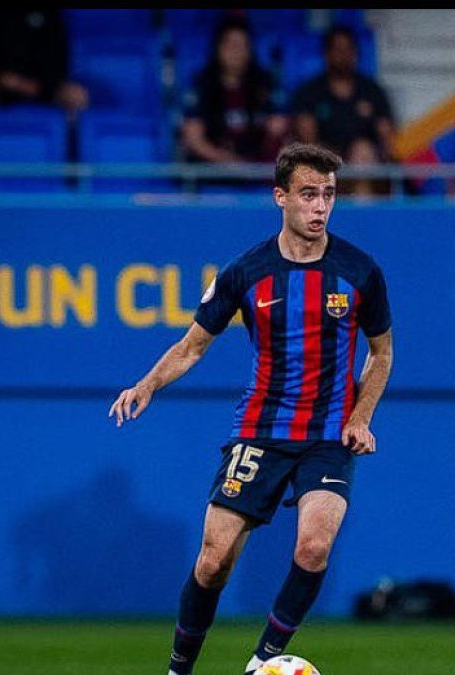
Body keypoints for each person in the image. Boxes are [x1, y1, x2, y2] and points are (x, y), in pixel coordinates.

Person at [108, 142, 394, 675]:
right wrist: (147, 384)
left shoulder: (360, 271)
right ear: (280, 196)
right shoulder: (247, 272)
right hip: (261, 431)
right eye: (309, 194)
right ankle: (179, 669)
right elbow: (193, 345)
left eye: (329, 195)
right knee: (213, 563)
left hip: (329, 435)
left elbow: (381, 353)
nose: (320, 207)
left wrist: (361, 417)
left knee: (313, 547)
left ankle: (262, 663)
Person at [180, 16, 287, 167]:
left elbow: (280, 129)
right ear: (218, 48)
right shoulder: (201, 85)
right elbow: (194, 140)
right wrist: (235, 164)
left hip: (258, 171)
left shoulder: (266, 84)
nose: (237, 52)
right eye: (231, 45)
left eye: (244, 46)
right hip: (213, 173)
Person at [291, 25, 394, 160]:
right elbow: (305, 138)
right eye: (338, 49)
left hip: (364, 163)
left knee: (362, 150)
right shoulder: (310, 92)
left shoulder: (372, 90)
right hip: (323, 163)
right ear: (327, 53)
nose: (344, 55)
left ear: (356, 53)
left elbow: (387, 133)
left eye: (348, 49)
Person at [0, 9, 89, 115]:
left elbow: (58, 59)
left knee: (76, 96)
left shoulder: (50, 14)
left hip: (42, 87)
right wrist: (6, 80)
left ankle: (69, 144)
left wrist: (42, 84)